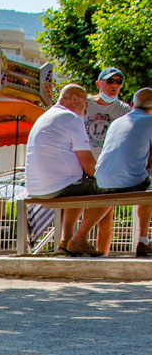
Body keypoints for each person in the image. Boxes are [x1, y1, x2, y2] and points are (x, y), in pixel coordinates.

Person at [62, 88, 152, 257]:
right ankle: (143, 240)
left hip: (100, 176)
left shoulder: (117, 122)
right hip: (127, 180)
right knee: (148, 189)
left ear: (132, 105)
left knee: (112, 189)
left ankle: (77, 238)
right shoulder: (150, 121)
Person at [56, 67, 131, 254]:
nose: (114, 85)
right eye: (109, 81)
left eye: (118, 81)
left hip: (107, 165)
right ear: (99, 83)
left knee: (106, 217)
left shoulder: (123, 109)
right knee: (76, 202)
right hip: (81, 162)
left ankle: (100, 256)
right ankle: (67, 242)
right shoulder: (85, 103)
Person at [23, 84, 103, 256]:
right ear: (74, 99)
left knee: (81, 186)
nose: (87, 107)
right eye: (85, 102)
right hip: (59, 186)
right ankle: (79, 239)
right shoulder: (71, 118)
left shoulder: (46, 116)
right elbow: (88, 163)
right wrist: (109, 179)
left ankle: (66, 241)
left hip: (36, 189)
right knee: (110, 190)